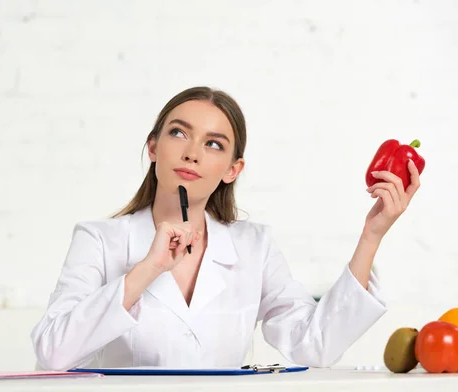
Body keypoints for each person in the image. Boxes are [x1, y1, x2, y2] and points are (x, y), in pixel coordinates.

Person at [31, 86, 421, 371]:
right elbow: (53, 353)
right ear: (153, 148)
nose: (193, 152)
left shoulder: (255, 246)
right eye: (179, 133)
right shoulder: (99, 239)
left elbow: (314, 345)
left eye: (214, 144)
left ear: (233, 170)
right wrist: (147, 269)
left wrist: (372, 235)